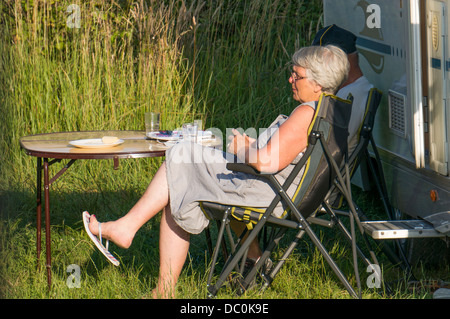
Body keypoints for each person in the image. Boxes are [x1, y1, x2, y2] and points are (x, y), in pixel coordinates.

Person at [83, 45, 350, 298]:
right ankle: (155, 273)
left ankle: (129, 232)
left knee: (181, 155)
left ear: (318, 84)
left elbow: (265, 163)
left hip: (270, 194)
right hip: (286, 192)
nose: (291, 79)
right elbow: (283, 158)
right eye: (292, 72)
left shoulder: (306, 113)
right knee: (181, 178)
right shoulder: (330, 111)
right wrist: (252, 146)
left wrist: (243, 148)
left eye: (297, 75)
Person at [312, 24, 374, 155]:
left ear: (341, 60)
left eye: (320, 60)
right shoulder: (361, 90)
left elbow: (327, 149)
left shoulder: (347, 98)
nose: (316, 67)